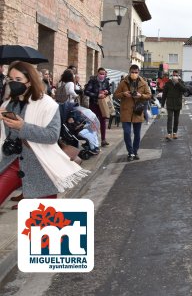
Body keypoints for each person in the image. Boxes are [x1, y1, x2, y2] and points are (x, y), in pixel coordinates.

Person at [0, 61, 89, 206]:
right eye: (10, 79)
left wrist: (23, 127)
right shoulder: (8, 104)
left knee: (45, 220)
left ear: (29, 81)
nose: (12, 83)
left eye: (18, 80)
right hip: (12, 161)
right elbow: (6, 135)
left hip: (41, 164)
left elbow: (52, 136)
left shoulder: (47, 104)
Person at [114, 65, 151, 161]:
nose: (134, 74)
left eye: (136, 72)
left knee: (137, 134)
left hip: (137, 111)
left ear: (138, 72)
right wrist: (123, 94)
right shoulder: (123, 83)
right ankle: (130, 152)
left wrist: (140, 95)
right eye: (132, 72)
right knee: (127, 133)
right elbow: (115, 95)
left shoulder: (144, 83)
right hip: (126, 111)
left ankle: (135, 152)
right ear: (129, 72)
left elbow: (149, 95)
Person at [84, 67, 112, 147]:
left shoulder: (106, 81)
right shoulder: (93, 81)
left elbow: (109, 91)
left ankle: (103, 139)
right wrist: (97, 95)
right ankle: (92, 139)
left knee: (103, 121)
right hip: (94, 104)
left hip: (103, 104)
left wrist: (107, 92)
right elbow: (86, 91)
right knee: (93, 122)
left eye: (103, 74)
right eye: (100, 74)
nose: (102, 75)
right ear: (97, 73)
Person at [162, 70, 186, 140]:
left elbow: (185, 90)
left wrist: (178, 83)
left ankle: (175, 133)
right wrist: (162, 105)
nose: (175, 76)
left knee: (176, 119)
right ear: (172, 76)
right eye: (174, 75)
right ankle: (169, 134)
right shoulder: (168, 83)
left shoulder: (181, 83)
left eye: (176, 75)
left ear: (179, 76)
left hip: (178, 104)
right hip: (169, 103)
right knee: (169, 118)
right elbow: (164, 95)